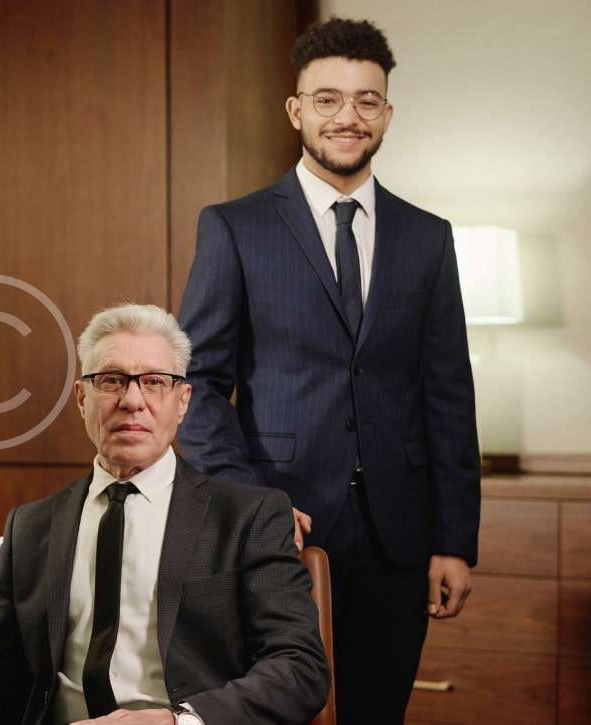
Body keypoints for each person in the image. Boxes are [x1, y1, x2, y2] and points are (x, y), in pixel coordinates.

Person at [175, 17, 480, 724]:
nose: (348, 116)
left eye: (366, 100)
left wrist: (453, 541)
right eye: (327, 99)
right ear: (296, 110)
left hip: (399, 539)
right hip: (281, 528)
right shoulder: (234, 227)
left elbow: (448, 394)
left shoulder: (428, 237)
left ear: (387, 114)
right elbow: (196, 388)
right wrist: (254, 502)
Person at [0, 304, 329, 725]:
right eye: (111, 380)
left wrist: (178, 721)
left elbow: (299, 666)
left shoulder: (249, 517)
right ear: (82, 398)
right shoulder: (30, 527)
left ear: (183, 402)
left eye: (154, 382)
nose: (132, 401)